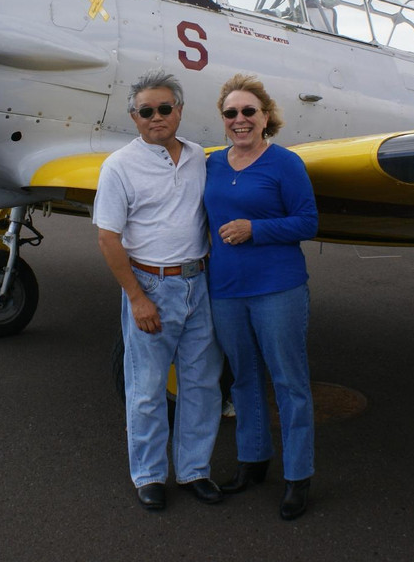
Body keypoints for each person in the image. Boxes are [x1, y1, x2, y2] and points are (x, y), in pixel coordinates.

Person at [92, 68, 224, 511]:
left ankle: (194, 470)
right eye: (145, 111)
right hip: (151, 285)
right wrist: (137, 297)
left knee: (202, 385)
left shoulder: (198, 156)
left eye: (164, 108)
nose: (156, 117)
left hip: (199, 283)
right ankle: (148, 475)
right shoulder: (119, 166)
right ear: (134, 117)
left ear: (179, 111)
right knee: (146, 389)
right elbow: (108, 238)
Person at [204, 73, 319, 520]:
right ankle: (252, 461)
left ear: (266, 117)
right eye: (230, 112)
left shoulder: (285, 163)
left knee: (289, 381)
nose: (240, 119)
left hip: (277, 289)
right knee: (242, 379)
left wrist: (257, 229)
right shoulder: (212, 164)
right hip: (226, 290)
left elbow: (308, 222)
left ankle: (298, 476)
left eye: (249, 111)